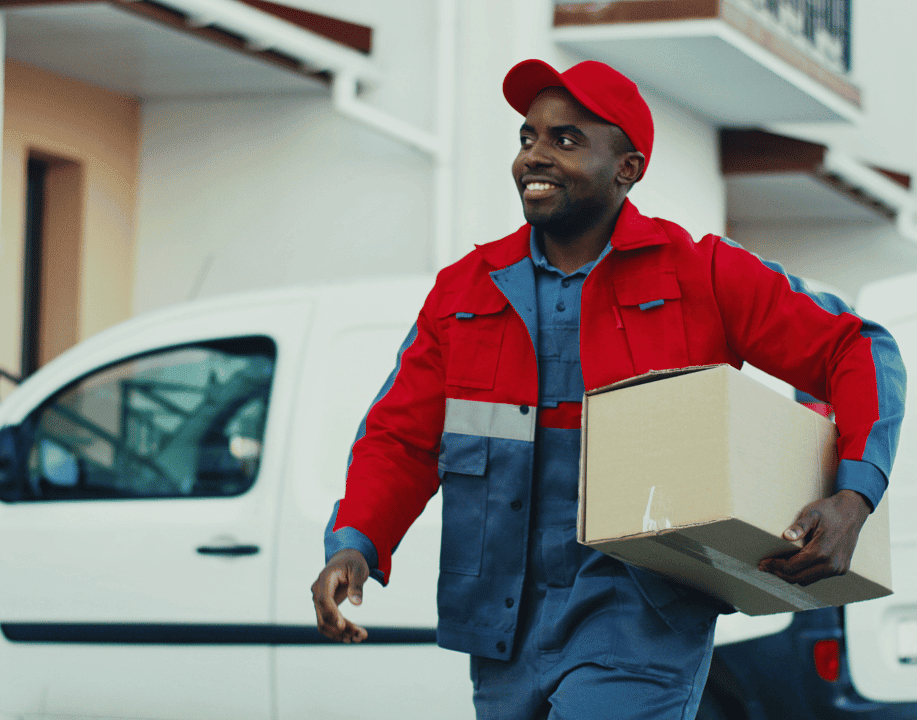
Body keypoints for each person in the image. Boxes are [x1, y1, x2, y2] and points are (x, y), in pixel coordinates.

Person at [311, 58, 905, 720]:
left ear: (628, 168)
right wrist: (355, 543)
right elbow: (402, 437)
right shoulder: (465, 291)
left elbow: (858, 348)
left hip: (640, 617)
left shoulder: (700, 274)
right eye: (527, 137)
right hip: (501, 623)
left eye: (566, 140)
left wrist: (854, 495)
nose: (534, 155)